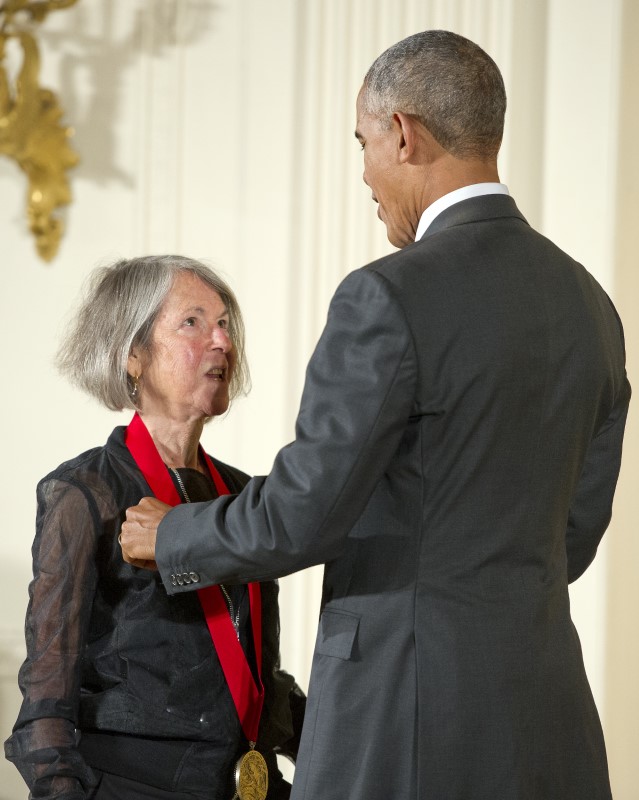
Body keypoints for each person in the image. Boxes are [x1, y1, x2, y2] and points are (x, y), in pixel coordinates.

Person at [119, 31, 631, 800]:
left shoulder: (385, 295)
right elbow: (574, 533)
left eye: (362, 143)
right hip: (546, 712)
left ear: (402, 133)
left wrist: (175, 534)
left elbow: (304, 512)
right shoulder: (590, 305)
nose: (364, 172)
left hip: (405, 714)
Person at [5, 255, 304, 800]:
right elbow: (46, 708)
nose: (222, 341)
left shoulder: (245, 495)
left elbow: (249, 677)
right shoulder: (85, 493)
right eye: (193, 322)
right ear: (134, 355)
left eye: (224, 324)